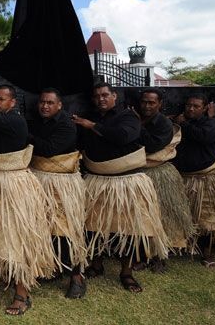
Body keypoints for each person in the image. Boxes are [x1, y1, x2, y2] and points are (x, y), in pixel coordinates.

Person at [0, 71, 55, 315]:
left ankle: (22, 293)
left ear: (13, 103)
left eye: (2, 99)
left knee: (16, 237)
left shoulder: (15, 121)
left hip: (13, 186)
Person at [73, 82, 169, 293]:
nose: (101, 99)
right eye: (97, 96)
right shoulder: (88, 116)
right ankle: (96, 264)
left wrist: (92, 127)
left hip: (126, 182)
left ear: (114, 96)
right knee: (94, 226)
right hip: (97, 180)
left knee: (131, 229)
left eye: (105, 95)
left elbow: (124, 136)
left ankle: (126, 272)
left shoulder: (128, 116)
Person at [27, 87, 88, 298]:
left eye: (50, 103)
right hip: (40, 180)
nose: (45, 106)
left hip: (62, 185)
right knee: (44, 229)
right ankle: (52, 268)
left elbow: (48, 149)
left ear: (59, 105)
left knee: (65, 230)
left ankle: (77, 276)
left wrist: (27, 137)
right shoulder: (35, 122)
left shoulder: (67, 126)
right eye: (42, 102)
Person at [137, 88, 194, 271]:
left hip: (160, 174)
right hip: (140, 173)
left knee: (163, 216)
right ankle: (144, 255)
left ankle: (160, 257)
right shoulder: (136, 118)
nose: (147, 105)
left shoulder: (163, 124)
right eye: (144, 101)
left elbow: (153, 146)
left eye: (151, 102)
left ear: (159, 104)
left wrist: (136, 126)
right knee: (145, 216)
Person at [172, 93, 215, 268]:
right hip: (183, 178)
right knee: (182, 214)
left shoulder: (210, 123)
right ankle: (180, 246)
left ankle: (208, 254)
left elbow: (205, 137)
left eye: (196, 106)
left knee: (208, 218)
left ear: (205, 108)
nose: (191, 109)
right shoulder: (176, 122)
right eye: (188, 105)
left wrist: (183, 124)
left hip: (205, 179)